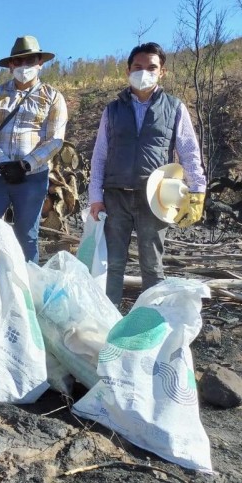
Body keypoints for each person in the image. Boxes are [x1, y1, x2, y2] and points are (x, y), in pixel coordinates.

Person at [89, 42, 206, 305]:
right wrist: (95, 196)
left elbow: (189, 151)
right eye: (138, 67)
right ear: (128, 70)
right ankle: (108, 319)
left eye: (152, 67)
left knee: (152, 265)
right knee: (113, 264)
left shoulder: (175, 108)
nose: (144, 72)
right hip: (116, 197)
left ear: (162, 71)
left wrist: (198, 190)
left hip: (155, 198)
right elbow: (100, 156)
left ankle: (151, 320)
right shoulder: (112, 110)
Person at [0, 35, 67, 298]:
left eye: (30, 60)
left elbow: (55, 139)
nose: (24, 65)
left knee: (28, 235)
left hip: (32, 177)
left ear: (40, 63)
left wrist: (25, 165)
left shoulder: (53, 97)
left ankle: (26, 297)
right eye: (19, 61)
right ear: (11, 65)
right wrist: (2, 163)